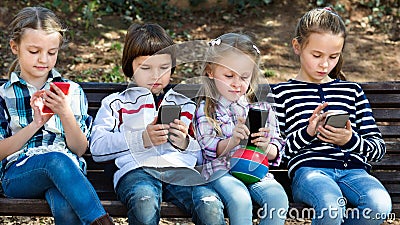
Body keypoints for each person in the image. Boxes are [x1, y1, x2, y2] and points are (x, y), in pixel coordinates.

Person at [89, 23, 225, 225]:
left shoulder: (184, 104)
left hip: (180, 171)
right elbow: (97, 149)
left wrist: (185, 143)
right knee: (144, 200)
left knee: (209, 202)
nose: (156, 76)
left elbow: (199, 155)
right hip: (136, 171)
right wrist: (141, 138)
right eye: (146, 68)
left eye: (164, 68)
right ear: (130, 68)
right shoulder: (116, 103)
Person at [270, 7, 392, 225]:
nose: (325, 64)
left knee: (379, 205)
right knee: (331, 206)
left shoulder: (352, 91)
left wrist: (349, 140)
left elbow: (378, 149)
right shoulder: (281, 94)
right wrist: (308, 133)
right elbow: (277, 151)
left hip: (355, 172)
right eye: (316, 55)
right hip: (310, 172)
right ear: (297, 47)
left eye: (333, 56)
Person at [0, 6, 114, 225]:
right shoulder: (4, 95)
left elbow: (80, 149)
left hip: (69, 175)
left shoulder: (71, 91)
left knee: (65, 207)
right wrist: (34, 125)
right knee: (54, 160)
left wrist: (65, 113)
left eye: (52, 52)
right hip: (19, 175)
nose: (44, 59)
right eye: (34, 51)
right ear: (15, 47)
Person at [195, 33, 289, 225]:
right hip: (220, 172)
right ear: (210, 72)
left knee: (277, 198)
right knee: (240, 199)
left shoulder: (262, 109)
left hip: (256, 171)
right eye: (229, 76)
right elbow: (208, 149)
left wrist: (266, 147)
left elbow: (277, 146)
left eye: (244, 77)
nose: (237, 83)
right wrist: (233, 141)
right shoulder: (206, 109)